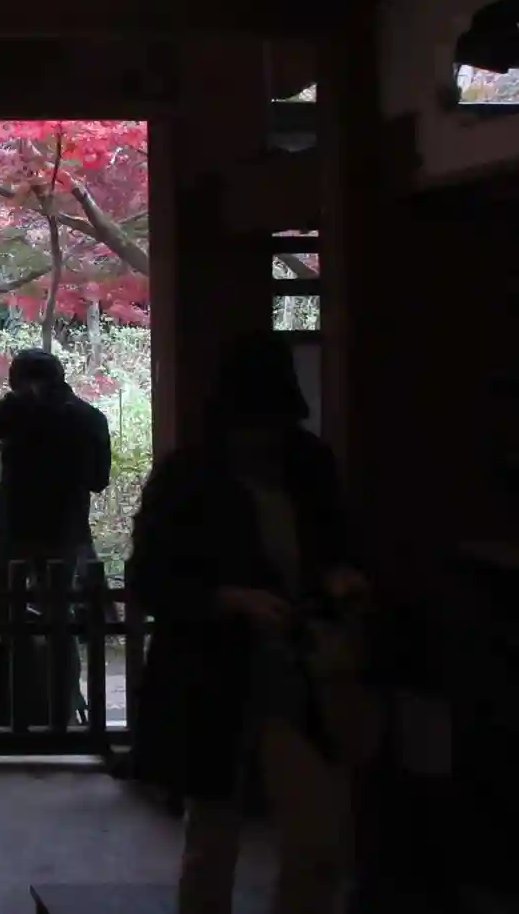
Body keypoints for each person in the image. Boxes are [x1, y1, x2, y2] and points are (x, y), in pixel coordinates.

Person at [126, 331, 370, 914]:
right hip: (214, 674)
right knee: (212, 843)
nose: (263, 438)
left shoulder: (310, 466)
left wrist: (340, 580)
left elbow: (337, 545)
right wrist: (228, 599)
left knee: (316, 843)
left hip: (299, 669)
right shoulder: (188, 478)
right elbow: (149, 578)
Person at [0, 348, 111, 726]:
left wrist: (10, 430)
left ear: (19, 381)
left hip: (13, 528)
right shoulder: (89, 417)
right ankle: (63, 708)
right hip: (65, 529)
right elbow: (98, 480)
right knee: (60, 618)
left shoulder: (13, 411)